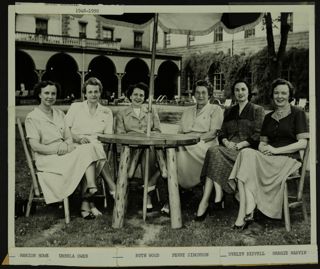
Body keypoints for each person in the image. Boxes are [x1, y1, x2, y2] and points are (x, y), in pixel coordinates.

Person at [229, 78, 309, 229]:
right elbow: (262, 143)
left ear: (289, 95)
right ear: (272, 95)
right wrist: (263, 148)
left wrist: (275, 150)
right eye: (276, 93)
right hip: (269, 159)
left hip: (288, 160)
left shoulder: (298, 113)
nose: (279, 96)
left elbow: (303, 143)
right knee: (245, 153)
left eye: (283, 93)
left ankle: (246, 212)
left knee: (246, 161)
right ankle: (248, 209)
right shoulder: (268, 117)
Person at [25, 81, 105, 220]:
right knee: (87, 154)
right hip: (47, 158)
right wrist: (57, 148)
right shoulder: (33, 117)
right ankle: (89, 192)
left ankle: (90, 188)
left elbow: (68, 138)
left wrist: (67, 145)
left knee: (89, 147)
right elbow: (35, 146)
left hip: (64, 153)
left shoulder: (59, 114)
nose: (50, 96)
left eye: (53, 93)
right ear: (39, 94)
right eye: (47, 93)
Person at [195, 80, 265, 221]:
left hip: (248, 150)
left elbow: (258, 134)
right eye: (237, 90)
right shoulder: (229, 111)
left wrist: (241, 145)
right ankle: (210, 198)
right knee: (213, 150)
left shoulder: (257, 110)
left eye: (243, 89)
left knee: (214, 152)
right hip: (229, 149)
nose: (240, 93)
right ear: (234, 93)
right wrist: (226, 142)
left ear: (248, 91)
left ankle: (210, 199)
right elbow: (222, 134)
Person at [65, 77, 116, 217]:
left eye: (96, 91)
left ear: (100, 93)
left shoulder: (106, 111)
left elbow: (108, 136)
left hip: (97, 146)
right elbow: (65, 130)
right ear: (85, 94)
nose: (93, 94)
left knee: (93, 150)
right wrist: (78, 138)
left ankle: (87, 203)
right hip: (76, 145)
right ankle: (110, 187)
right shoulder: (76, 107)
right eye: (90, 92)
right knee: (89, 152)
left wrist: (98, 143)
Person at [116, 82, 162, 211]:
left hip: (149, 148)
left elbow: (158, 131)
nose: (138, 97)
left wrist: (148, 136)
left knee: (146, 149)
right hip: (129, 150)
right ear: (130, 96)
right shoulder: (122, 113)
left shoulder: (151, 110)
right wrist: (138, 137)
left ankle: (148, 193)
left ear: (145, 97)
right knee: (143, 148)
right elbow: (119, 136)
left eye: (141, 95)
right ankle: (148, 191)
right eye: (135, 94)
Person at [177, 80, 223, 189]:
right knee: (173, 149)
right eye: (197, 92)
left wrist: (191, 140)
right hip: (186, 144)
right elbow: (179, 132)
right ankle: (177, 186)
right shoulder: (187, 111)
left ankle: (176, 186)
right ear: (194, 94)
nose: (200, 95)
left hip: (205, 145)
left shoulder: (215, 109)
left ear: (209, 95)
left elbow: (213, 133)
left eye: (203, 92)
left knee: (176, 152)